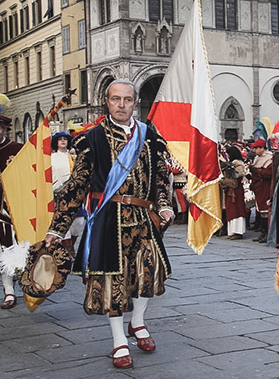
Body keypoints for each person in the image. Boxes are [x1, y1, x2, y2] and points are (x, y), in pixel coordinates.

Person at [44, 80, 174, 369]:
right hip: (109, 219)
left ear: (135, 102)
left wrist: (164, 205)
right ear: (107, 101)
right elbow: (76, 186)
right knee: (112, 282)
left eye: (128, 99)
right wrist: (58, 226)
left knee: (148, 275)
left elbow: (161, 176)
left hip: (143, 218)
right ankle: (118, 341)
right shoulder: (92, 140)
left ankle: (138, 323)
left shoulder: (149, 136)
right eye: (116, 99)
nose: (122, 105)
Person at [0, 105, 22, 310]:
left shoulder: (16, 150)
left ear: (5, 129)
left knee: (7, 251)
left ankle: (9, 291)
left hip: (9, 210)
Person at [51, 131, 86, 258]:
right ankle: (68, 251)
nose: (63, 141)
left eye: (65, 139)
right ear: (56, 143)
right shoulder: (51, 158)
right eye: (60, 139)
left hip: (75, 193)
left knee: (78, 223)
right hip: (59, 193)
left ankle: (70, 245)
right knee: (63, 221)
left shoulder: (75, 157)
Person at [249, 138, 273, 243]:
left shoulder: (269, 158)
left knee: (265, 210)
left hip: (264, 186)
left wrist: (257, 171)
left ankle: (267, 233)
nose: (254, 150)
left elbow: (268, 174)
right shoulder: (257, 158)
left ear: (262, 148)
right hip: (258, 186)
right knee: (260, 209)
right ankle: (262, 232)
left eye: (256, 148)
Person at [220, 146, 247, 240]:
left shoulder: (238, 164)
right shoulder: (231, 163)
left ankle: (238, 231)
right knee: (231, 210)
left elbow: (238, 176)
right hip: (230, 190)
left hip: (236, 190)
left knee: (237, 210)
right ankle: (231, 231)